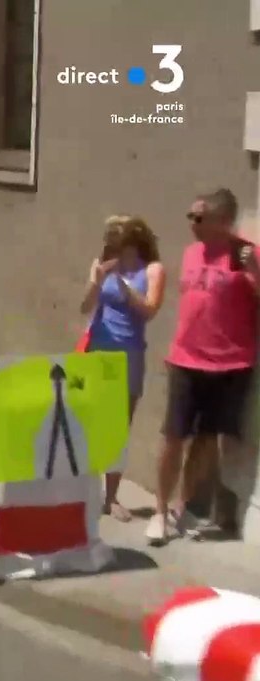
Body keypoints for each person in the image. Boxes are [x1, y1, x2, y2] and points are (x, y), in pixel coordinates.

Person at [148, 188, 259, 545]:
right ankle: (160, 511)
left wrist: (253, 270)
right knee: (173, 437)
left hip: (229, 363)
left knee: (208, 440)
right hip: (186, 359)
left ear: (222, 221)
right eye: (190, 217)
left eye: (198, 217)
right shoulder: (192, 252)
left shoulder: (244, 256)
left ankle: (182, 507)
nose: (191, 224)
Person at [77, 215, 165, 522]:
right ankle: (83, 491)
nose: (111, 249)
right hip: (98, 351)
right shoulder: (103, 265)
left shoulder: (151, 270)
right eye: (109, 244)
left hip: (128, 356)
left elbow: (151, 310)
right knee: (88, 422)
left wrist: (126, 290)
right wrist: (96, 281)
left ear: (131, 243)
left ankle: (110, 497)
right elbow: (85, 307)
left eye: (117, 243)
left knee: (118, 427)